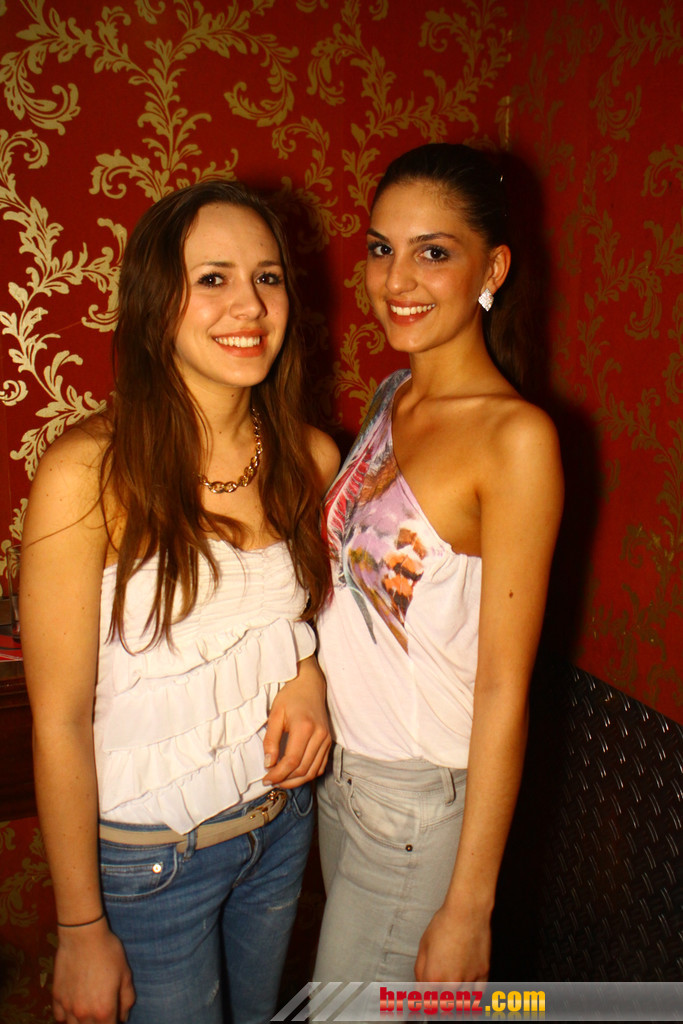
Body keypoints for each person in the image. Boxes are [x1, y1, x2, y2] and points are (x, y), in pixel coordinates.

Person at [21, 180, 339, 1024]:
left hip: (279, 826)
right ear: (157, 302)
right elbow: (59, 720)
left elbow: (292, 617)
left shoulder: (310, 457)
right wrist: (79, 928)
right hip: (150, 862)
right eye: (213, 279)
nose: (250, 305)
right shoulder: (88, 471)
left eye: (267, 277)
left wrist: (304, 669)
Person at [314, 143, 564, 984]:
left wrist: (469, 905)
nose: (396, 280)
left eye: (432, 252)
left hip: (418, 805)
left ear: (491, 268)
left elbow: (502, 688)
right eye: (381, 249)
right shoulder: (392, 397)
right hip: (343, 781)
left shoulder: (514, 438)